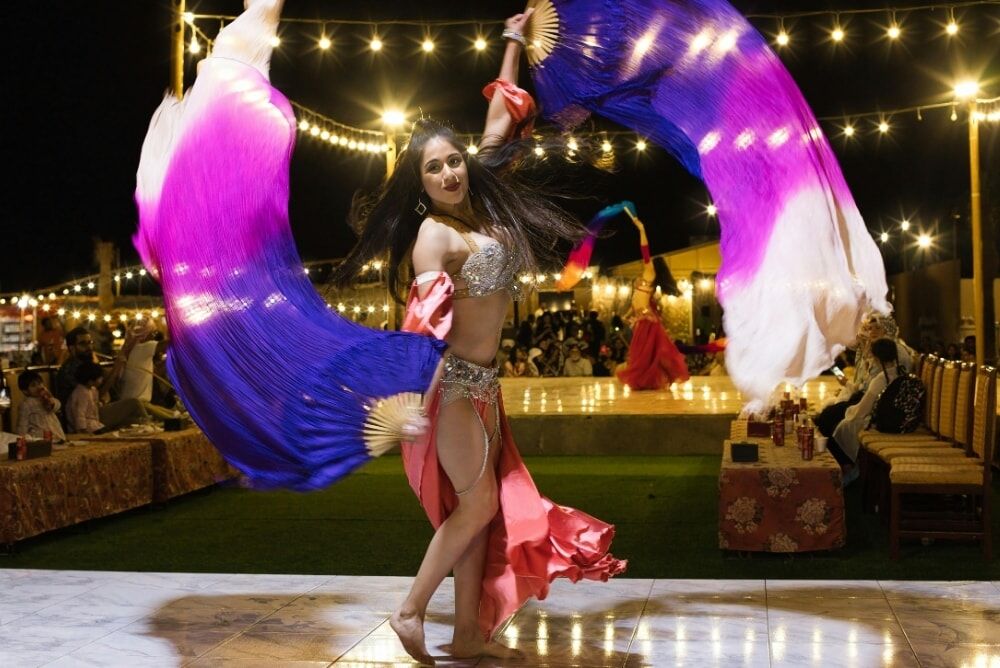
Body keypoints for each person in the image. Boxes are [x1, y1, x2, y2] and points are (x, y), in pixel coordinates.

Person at [329, 8, 625, 663]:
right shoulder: (433, 235)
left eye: (454, 161)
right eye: (434, 169)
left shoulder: (485, 208)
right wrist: (410, 399)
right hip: (451, 392)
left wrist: (513, 41)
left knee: (478, 512)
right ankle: (410, 611)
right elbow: (424, 324)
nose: (449, 174)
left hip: (486, 388)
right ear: (421, 183)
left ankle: (467, 634)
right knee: (478, 505)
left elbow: (501, 117)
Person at [615, 209, 689, 390]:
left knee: (645, 355)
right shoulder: (647, 278)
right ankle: (648, 381)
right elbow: (638, 300)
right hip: (642, 318)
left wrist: (641, 230)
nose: (645, 262)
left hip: (646, 320)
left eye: (648, 262)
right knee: (646, 355)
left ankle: (648, 380)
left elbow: (645, 251)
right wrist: (628, 314)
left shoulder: (649, 272)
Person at [830, 338, 906, 484]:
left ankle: (851, 467)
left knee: (839, 428)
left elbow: (862, 410)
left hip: (877, 422)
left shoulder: (880, 379)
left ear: (877, 358)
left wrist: (849, 411)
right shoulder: (901, 372)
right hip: (896, 422)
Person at [56, 326, 150, 431]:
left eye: (90, 343)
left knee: (135, 420)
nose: (89, 347)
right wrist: (116, 368)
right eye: (83, 344)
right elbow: (97, 394)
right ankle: (153, 428)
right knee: (134, 403)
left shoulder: (86, 363)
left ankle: (152, 429)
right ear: (72, 348)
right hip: (86, 418)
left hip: (94, 411)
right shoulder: (72, 369)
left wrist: (124, 351)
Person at [15, 370, 66, 442]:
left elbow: (57, 405)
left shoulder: (45, 398)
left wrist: (50, 401)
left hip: (56, 434)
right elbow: (22, 426)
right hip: (39, 438)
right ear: (25, 391)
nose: (39, 387)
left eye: (40, 383)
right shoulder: (26, 404)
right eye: (33, 385)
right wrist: (21, 438)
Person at [66, 361, 107, 434]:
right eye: (99, 378)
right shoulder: (82, 393)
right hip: (87, 426)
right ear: (90, 381)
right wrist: (82, 430)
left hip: (93, 423)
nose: (102, 379)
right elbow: (79, 413)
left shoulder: (91, 390)